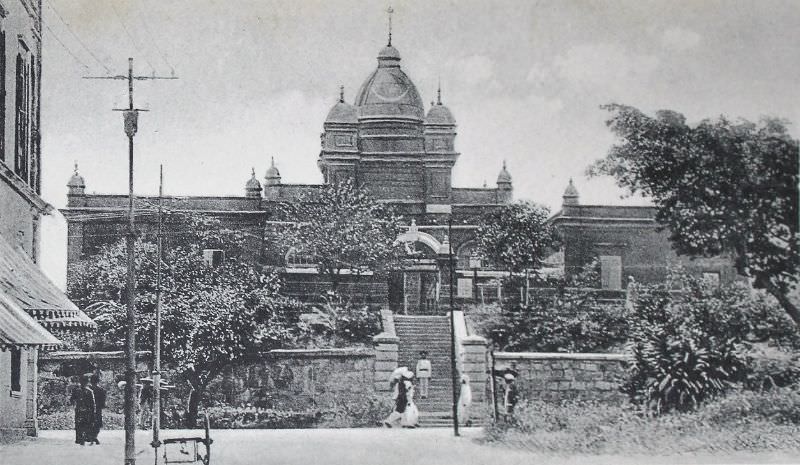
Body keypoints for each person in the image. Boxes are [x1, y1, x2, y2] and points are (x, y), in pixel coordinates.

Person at [70, 374, 96, 445]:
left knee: (81, 424)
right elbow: (93, 404)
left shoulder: (78, 390)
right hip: (84, 410)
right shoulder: (88, 391)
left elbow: (72, 400)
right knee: (84, 424)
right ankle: (82, 438)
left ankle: (80, 438)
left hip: (82, 410)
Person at [88, 374, 106, 444]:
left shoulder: (88, 389)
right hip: (98, 409)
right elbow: (103, 401)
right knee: (97, 423)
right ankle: (94, 436)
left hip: (89, 408)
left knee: (89, 422)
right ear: (98, 381)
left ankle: (91, 436)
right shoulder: (101, 390)